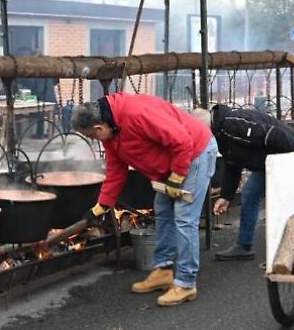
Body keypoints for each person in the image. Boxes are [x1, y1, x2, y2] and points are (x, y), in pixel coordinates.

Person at [72, 93, 217, 307]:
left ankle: (186, 283)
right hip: (173, 162)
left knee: (185, 218)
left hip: (195, 153)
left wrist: (177, 177)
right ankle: (164, 270)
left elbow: (182, 140)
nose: (95, 141)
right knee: (163, 207)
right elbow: (116, 170)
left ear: (99, 127)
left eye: (92, 137)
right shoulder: (111, 131)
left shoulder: (136, 114)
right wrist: (101, 206)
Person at [197, 104, 294, 261]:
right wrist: (227, 196)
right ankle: (245, 245)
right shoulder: (220, 132)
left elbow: (273, 135)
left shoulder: (232, 125)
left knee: (262, 195)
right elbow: (232, 163)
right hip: (269, 160)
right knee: (251, 194)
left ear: (204, 127)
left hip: (285, 154)